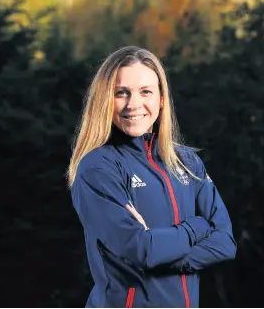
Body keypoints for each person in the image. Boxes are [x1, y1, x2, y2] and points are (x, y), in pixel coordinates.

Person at [68, 46, 236, 308]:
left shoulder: (187, 162)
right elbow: (141, 249)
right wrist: (197, 227)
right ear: (105, 100)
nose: (134, 104)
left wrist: (164, 253)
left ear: (161, 99)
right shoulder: (98, 168)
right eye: (121, 93)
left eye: (146, 91)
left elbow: (225, 242)